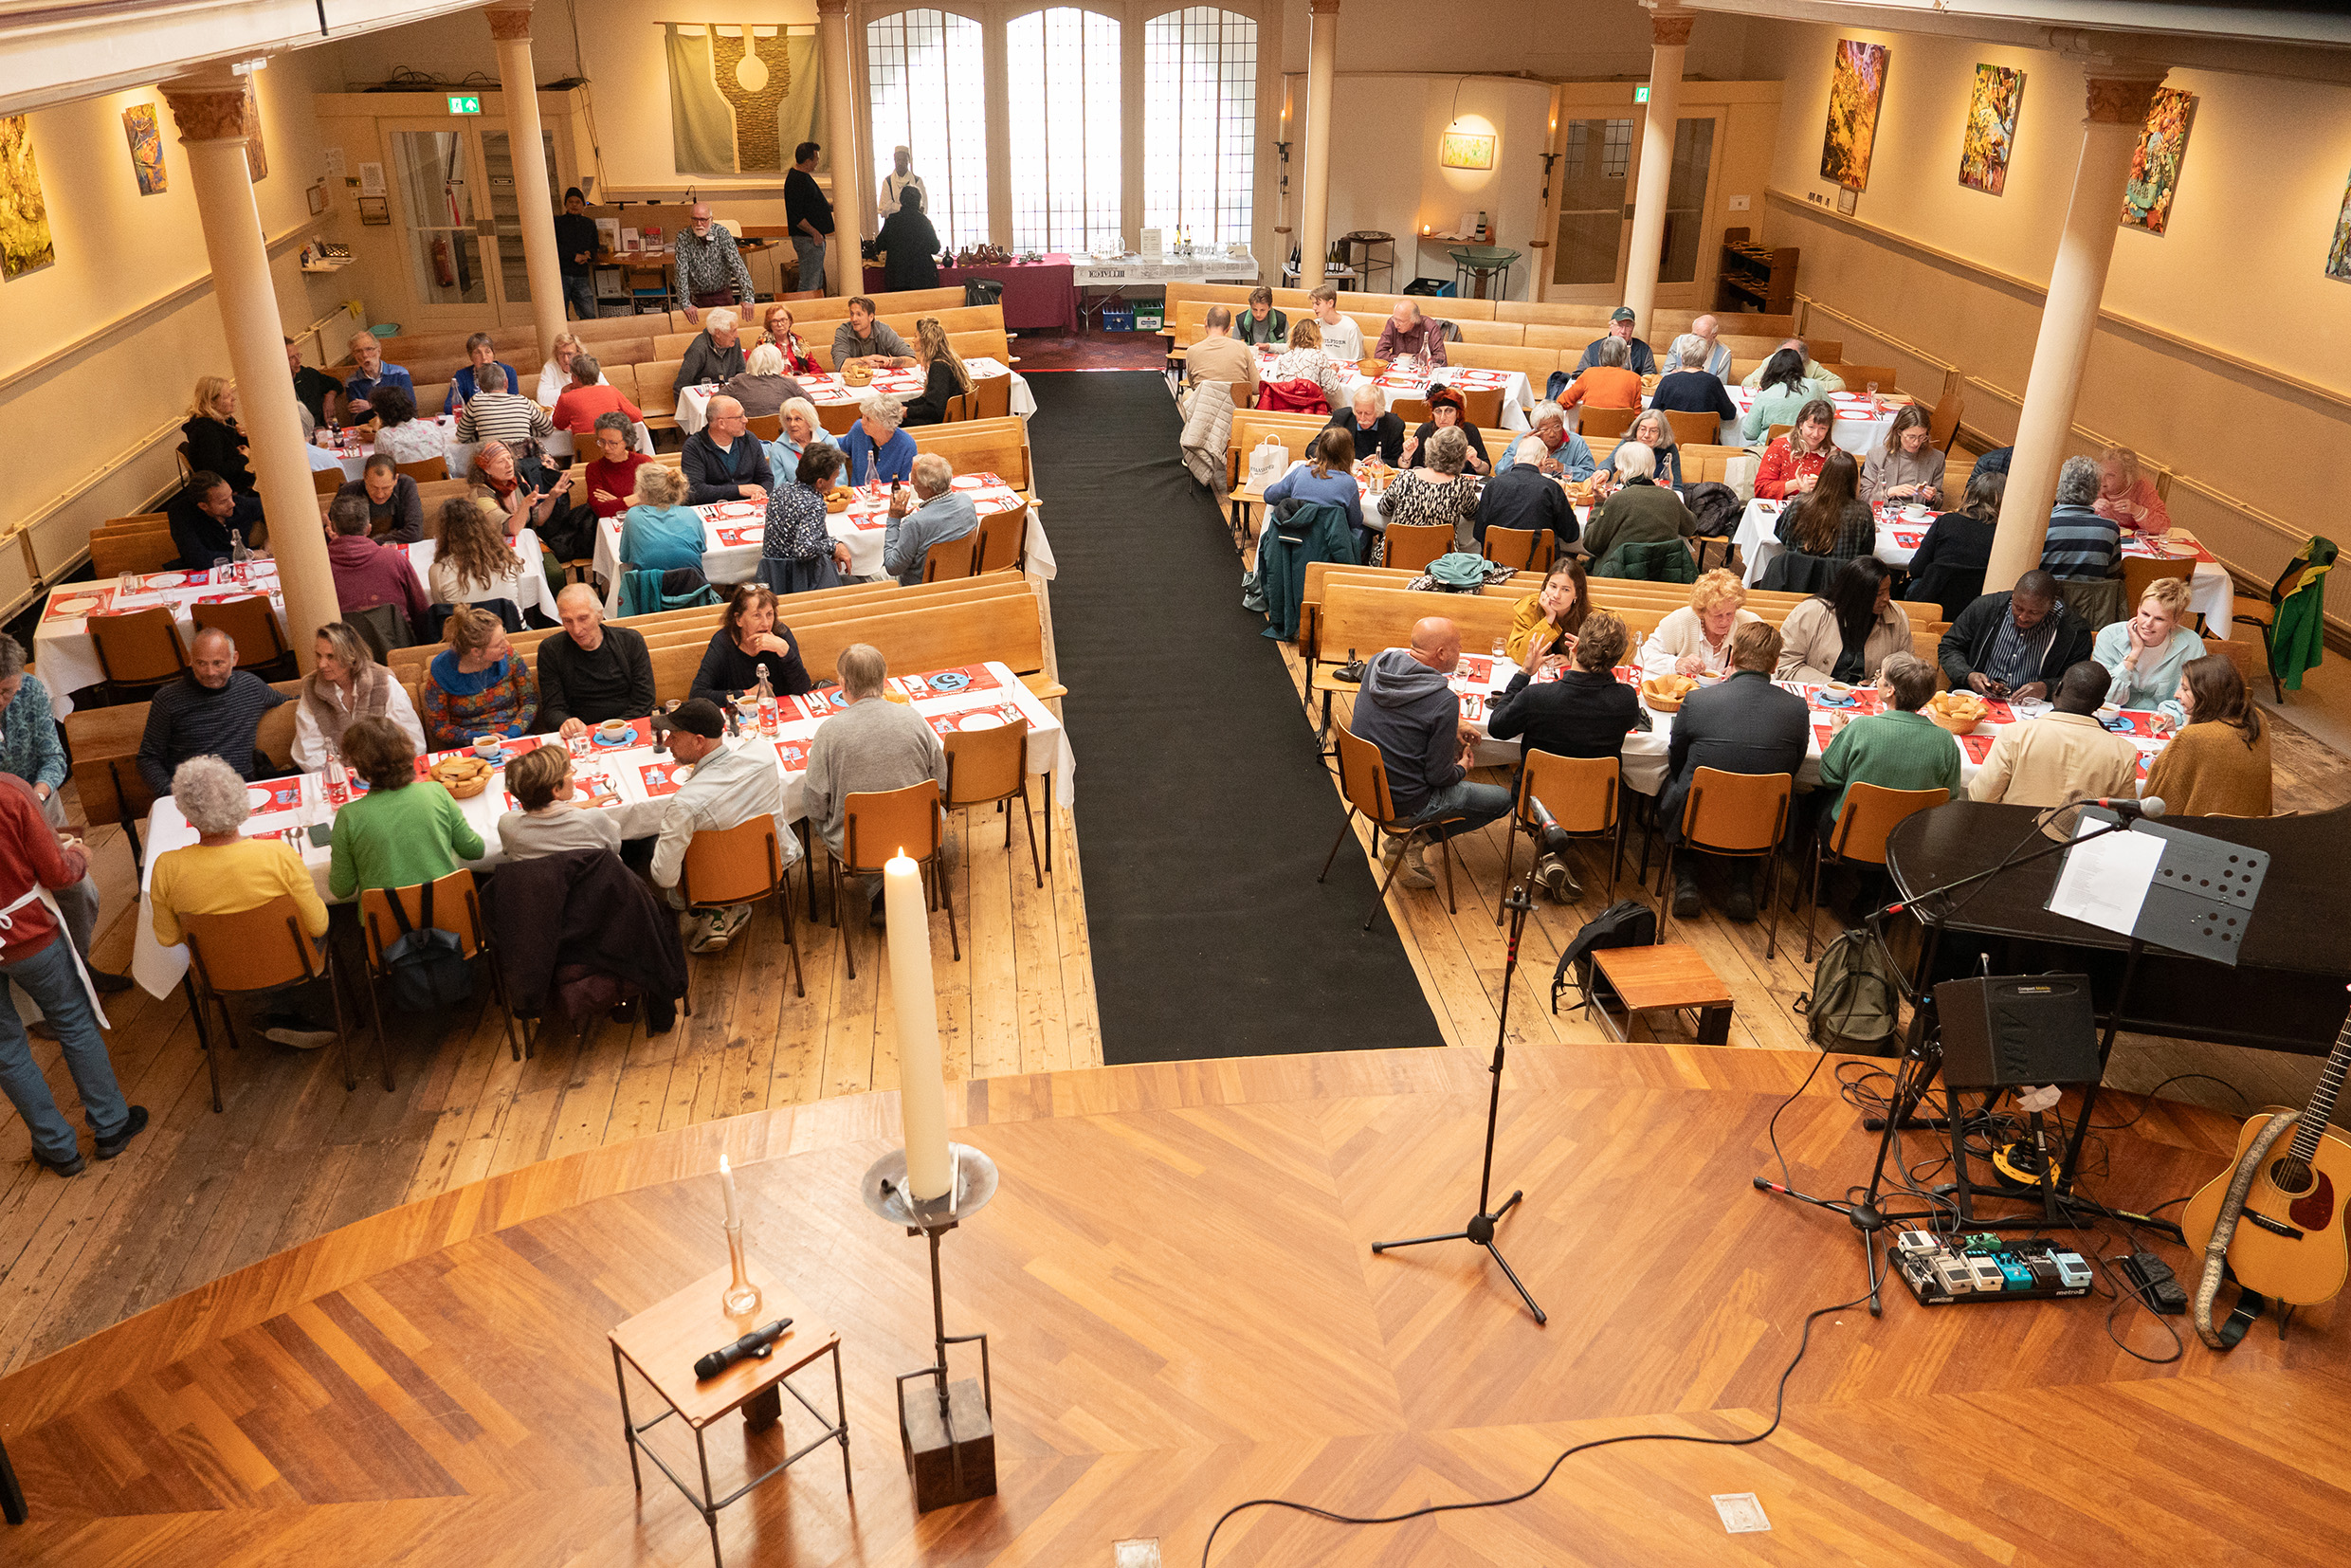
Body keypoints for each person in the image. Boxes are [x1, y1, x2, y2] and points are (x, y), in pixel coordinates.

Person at [0, 763, 142, 1174]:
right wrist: (78, 854)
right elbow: (59, 874)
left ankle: (57, 1147)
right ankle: (111, 1126)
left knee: (6, 1051)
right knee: (73, 1021)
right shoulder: (11, 791)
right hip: (26, 936)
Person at [150, 755, 337, 1050]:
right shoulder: (278, 855)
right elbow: (319, 925)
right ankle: (281, 1010)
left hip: (218, 971)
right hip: (294, 962)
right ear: (242, 800)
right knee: (323, 918)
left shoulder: (165, 867)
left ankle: (273, 1012)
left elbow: (168, 936)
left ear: (185, 811)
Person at [1487, 610, 1641, 902]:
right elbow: (1630, 721)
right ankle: (1550, 858)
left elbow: (1497, 727)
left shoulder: (1539, 697)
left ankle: (1548, 855)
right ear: (1617, 659)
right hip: (1598, 807)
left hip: (1536, 802)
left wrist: (1524, 674)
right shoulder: (1626, 699)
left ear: (1576, 646)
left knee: (1538, 783)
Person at [1661, 621, 1808, 921]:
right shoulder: (1797, 708)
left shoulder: (1698, 699)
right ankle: (1743, 882)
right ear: (1776, 663)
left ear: (1733, 656)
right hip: (1763, 820)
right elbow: (1794, 768)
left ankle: (1687, 878)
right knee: (1765, 793)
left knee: (1672, 781)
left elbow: (1676, 758)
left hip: (1699, 811)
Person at [1351, 617, 1510, 890]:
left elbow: (1403, 720)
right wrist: (1462, 767)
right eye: (1459, 646)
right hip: (1403, 804)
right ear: (1442, 654)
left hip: (1361, 785)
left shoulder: (1379, 662)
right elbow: (1439, 776)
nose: (1461, 650)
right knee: (1503, 799)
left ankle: (1410, 841)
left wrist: (1452, 724)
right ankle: (1413, 839)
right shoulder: (1443, 700)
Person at [801, 644, 946, 926]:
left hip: (857, 844)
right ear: (884, 679)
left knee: (826, 819)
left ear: (842, 684)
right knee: (883, 819)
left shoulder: (828, 732)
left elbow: (815, 805)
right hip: (919, 833)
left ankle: (880, 891)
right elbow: (940, 779)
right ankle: (887, 891)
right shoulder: (913, 718)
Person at [648, 697, 793, 953]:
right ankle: (724, 914)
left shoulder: (683, 803)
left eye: (674, 735)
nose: (667, 741)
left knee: (660, 852)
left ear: (699, 741)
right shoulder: (762, 754)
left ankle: (715, 912)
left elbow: (664, 877)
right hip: (771, 867)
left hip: (713, 885)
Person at [1967, 661, 2143, 835]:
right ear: (2099, 704)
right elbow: (2121, 817)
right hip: (2076, 844)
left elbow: (1981, 798)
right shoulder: (2124, 751)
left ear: (2058, 689)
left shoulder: (2015, 734)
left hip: (2012, 836)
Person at [328, 717, 485, 895]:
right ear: (408, 750)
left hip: (386, 919)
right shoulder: (436, 791)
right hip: (450, 913)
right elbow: (474, 850)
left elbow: (342, 889)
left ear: (358, 765)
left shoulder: (348, 815)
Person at [1815, 652, 1961, 828]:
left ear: (1890, 690)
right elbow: (1949, 796)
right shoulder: (1945, 741)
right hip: (1910, 843)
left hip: (1851, 840)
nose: (1876, 680)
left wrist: (1837, 732)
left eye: (1880, 677)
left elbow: (1830, 778)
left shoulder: (1861, 727)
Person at [137, 628, 289, 794]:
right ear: (191, 660)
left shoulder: (251, 687)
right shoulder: (168, 700)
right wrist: (173, 794)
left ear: (234, 659)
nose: (210, 672)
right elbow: (148, 758)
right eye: (201, 663)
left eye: (218, 663)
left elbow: (291, 704)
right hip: (195, 796)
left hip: (246, 790)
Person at [2142, 655, 2270, 817]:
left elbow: (2159, 800)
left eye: (2185, 689)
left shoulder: (2195, 736)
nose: (2177, 694)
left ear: (2207, 693)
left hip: (2202, 831)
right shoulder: (2258, 718)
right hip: (2252, 827)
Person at [1938, 571, 2094, 702]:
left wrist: (2047, 687)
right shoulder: (1986, 608)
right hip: (1978, 700)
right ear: (2013, 595)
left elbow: (2077, 679)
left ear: (2052, 604)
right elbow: (1949, 647)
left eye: (2034, 612)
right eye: (2018, 608)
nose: (2023, 617)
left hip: (2035, 707)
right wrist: (1968, 675)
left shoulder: (2074, 630)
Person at [293, 622, 424, 771]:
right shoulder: (312, 689)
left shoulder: (384, 682)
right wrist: (345, 776)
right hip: (339, 777)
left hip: (388, 773)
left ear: (351, 656)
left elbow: (412, 741)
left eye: (331, 656)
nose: (322, 664)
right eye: (318, 655)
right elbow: (308, 753)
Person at [536, 584, 655, 739]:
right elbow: (553, 710)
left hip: (629, 727)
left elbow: (644, 700)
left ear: (599, 614)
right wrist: (566, 723)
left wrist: (612, 729)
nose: (576, 630)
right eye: (567, 621)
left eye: (583, 618)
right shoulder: (551, 650)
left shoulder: (630, 641)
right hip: (581, 734)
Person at [419, 606, 538, 750]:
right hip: (471, 745)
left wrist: (512, 733)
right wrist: (480, 738)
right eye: (498, 644)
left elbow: (530, 701)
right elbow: (439, 726)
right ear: (476, 652)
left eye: (504, 637)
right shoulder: (442, 670)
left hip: (513, 736)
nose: (506, 645)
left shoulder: (510, 657)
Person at [1777, 557, 1908, 684]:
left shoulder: (1896, 616)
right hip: (1815, 694)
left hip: (1868, 700)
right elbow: (1786, 664)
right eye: (1879, 594)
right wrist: (1832, 685)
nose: (1887, 599)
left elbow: (1904, 670)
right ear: (1857, 595)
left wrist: (1878, 684)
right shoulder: (1811, 613)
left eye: (1888, 591)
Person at [2095, 574, 2204, 724]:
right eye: (2144, 614)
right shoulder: (2109, 636)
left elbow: (2193, 696)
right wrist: (2133, 655)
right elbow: (2106, 697)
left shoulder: (2191, 643)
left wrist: (2173, 716)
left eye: (2159, 619)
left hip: (2163, 724)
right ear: (2138, 609)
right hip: (2112, 720)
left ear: (2175, 621)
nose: (2147, 624)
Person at [498, 741, 626, 862]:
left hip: (543, 884)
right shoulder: (592, 819)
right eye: (569, 773)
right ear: (556, 790)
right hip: (594, 882)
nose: (573, 775)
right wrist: (575, 807)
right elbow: (614, 847)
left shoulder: (508, 825)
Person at [1903, 468, 2002, 621]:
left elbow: (1916, 568)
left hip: (1929, 601)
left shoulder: (1946, 521)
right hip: (1975, 611)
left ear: (1971, 494)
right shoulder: (2002, 535)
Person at [690, 583, 814, 704]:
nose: (766, 624)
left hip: (779, 712)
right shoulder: (723, 642)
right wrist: (746, 695)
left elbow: (802, 689)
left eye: (769, 614)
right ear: (739, 619)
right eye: (757, 615)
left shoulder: (781, 634)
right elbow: (698, 694)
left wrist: (784, 651)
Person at [1579, 443, 1697, 568]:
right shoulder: (1670, 497)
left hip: (1619, 573)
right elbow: (1691, 527)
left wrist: (1599, 504)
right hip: (1663, 573)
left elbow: (1592, 543)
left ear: (1623, 469)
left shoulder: (1617, 500)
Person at [325, 494, 429, 634]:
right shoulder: (394, 560)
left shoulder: (321, 569)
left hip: (347, 649)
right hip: (397, 645)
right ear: (368, 529)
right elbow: (421, 612)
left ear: (332, 528)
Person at [764, 444, 856, 592]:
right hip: (800, 580)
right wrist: (833, 546)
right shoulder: (814, 504)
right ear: (820, 482)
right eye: (834, 478)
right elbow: (803, 549)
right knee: (855, 582)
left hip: (774, 578)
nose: (835, 483)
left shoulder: (779, 491)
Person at [1640, 569, 1761, 679]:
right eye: (1717, 615)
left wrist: (1744, 672)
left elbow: (1771, 666)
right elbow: (1643, 657)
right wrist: (1676, 663)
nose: (1725, 621)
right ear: (1702, 612)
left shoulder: (1750, 624)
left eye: (1730, 614)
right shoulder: (1680, 621)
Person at [1264, 429, 1367, 557]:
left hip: (1295, 543)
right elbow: (1355, 521)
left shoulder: (1301, 471)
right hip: (1331, 549)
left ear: (1319, 449)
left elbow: (1269, 496)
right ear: (1349, 454)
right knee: (1365, 531)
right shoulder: (1349, 482)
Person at [1375, 426, 1480, 548]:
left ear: (1430, 449)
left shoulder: (1405, 478)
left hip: (1395, 557)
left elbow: (1383, 509)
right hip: (1441, 562)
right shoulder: (1461, 486)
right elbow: (1473, 514)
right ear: (1462, 456)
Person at [884, 452, 980, 585]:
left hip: (921, 591)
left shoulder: (915, 524)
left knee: (860, 577)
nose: (912, 483)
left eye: (914, 481)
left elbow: (892, 567)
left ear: (928, 486)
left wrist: (893, 520)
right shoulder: (967, 502)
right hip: (960, 581)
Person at [429, 495, 536, 612]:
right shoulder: (507, 556)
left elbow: (444, 613)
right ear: (483, 525)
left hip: (468, 629)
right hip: (512, 628)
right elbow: (520, 604)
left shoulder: (438, 570)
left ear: (443, 532)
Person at [1476, 436, 1576, 555]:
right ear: (1544, 461)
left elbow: (1478, 533)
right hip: (1539, 568)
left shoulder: (1493, 484)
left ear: (1515, 459)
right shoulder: (1551, 488)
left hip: (1496, 566)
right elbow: (1571, 535)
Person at [1777, 448, 1874, 564]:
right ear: (1854, 480)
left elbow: (1782, 536)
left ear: (1823, 475)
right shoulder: (1863, 513)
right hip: (1841, 579)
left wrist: (1804, 494)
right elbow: (1866, 554)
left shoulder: (1801, 503)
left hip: (1799, 577)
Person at [616, 465, 707, 578]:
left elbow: (624, 557)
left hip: (649, 590)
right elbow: (702, 548)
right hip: (692, 588)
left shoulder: (633, 515)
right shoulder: (690, 513)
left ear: (644, 491)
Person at [2039, 455, 2123, 580]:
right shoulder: (2110, 530)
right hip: (2092, 599)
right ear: (2096, 491)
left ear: (2058, 486)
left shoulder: (2043, 525)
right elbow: (2112, 580)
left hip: (2048, 598)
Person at [681, 394, 771, 505]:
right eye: (739, 417)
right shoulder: (694, 447)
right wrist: (739, 490)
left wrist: (760, 493)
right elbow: (695, 490)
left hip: (750, 505)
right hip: (712, 509)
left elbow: (766, 477)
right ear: (721, 423)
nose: (745, 420)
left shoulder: (749, 439)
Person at [167, 470, 265, 570]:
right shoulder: (181, 512)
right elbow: (199, 559)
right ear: (203, 506)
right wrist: (248, 554)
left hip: (241, 570)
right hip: (203, 572)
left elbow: (271, 508)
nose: (232, 504)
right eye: (223, 502)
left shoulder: (240, 504)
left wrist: (270, 541)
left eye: (231, 495)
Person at [674, 202, 756, 319]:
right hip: (697, 299)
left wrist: (748, 298)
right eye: (695, 219)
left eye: (703, 219)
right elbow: (680, 272)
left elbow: (738, 266)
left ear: (711, 219)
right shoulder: (683, 237)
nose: (699, 224)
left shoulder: (722, 234)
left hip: (722, 295)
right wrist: (685, 304)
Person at [1504, 559, 1591, 665]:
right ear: (1545, 585)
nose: (1556, 595)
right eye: (1553, 586)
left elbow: (1607, 656)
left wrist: (1574, 660)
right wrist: (1548, 618)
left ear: (1577, 594)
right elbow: (1520, 656)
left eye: (1565, 590)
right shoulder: (1529, 607)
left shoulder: (1590, 615)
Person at [468, 437, 560, 536]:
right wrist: (524, 505)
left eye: (510, 458)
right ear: (486, 469)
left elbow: (537, 520)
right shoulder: (481, 494)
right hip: (498, 545)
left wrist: (552, 497)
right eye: (501, 461)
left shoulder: (516, 481)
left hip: (524, 539)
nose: (509, 465)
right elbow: (511, 529)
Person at [1859, 404, 1944, 508]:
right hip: (1886, 513)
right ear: (1899, 432)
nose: (1916, 443)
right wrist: (1889, 492)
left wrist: (1932, 498)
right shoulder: (1876, 456)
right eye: (1911, 437)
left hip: (1917, 517)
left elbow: (1938, 503)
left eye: (1922, 436)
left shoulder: (1936, 459)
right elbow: (1864, 498)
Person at [453, 362, 555, 447]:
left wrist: (483, 435)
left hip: (495, 466)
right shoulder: (523, 401)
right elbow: (548, 429)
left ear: (481, 387)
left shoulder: (475, 401)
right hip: (525, 466)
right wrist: (525, 432)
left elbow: (462, 436)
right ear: (506, 383)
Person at [1740, 350, 1827, 446]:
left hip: (1770, 446)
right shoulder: (1814, 386)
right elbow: (1829, 410)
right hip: (1808, 445)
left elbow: (1750, 433)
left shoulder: (1765, 394)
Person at [183, 376, 253, 493]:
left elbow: (238, 446)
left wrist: (243, 436)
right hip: (225, 488)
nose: (233, 399)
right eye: (227, 396)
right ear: (212, 402)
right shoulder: (207, 432)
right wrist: (243, 458)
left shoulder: (225, 419)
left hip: (234, 476)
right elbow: (217, 471)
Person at [1754, 398, 1836, 498]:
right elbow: (1761, 489)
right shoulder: (1780, 447)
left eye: (1822, 429)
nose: (1816, 434)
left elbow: (1842, 495)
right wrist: (1793, 485)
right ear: (1801, 424)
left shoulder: (1833, 455)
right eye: (1811, 427)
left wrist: (1822, 489)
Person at [1650, 335, 1740, 427]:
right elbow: (1729, 414)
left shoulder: (1667, 381)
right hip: (1705, 439)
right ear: (1705, 359)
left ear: (1682, 358)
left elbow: (1652, 413)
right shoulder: (1713, 382)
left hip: (1670, 438)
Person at [583, 411, 656, 522]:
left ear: (626, 441)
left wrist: (616, 502)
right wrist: (637, 499)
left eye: (613, 443)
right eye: (602, 442)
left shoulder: (644, 463)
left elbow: (656, 503)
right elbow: (600, 510)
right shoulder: (593, 469)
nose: (606, 448)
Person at [335, 455, 425, 543]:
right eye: (374, 487)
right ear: (364, 477)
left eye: (386, 488)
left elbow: (415, 533)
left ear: (396, 479)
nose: (380, 495)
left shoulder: (405, 485)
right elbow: (331, 533)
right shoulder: (349, 491)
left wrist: (369, 543)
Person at [1491, 403, 1595, 480]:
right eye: (1545, 429)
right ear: (1535, 429)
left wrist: (1564, 468)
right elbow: (1500, 470)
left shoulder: (1576, 443)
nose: (1552, 434)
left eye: (1557, 427)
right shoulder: (1524, 439)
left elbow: (1591, 475)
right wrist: (1523, 447)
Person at [1401, 386, 1488, 473]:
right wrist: (1407, 456)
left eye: (1448, 411)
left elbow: (1486, 471)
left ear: (1457, 413)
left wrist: (1476, 462)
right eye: (1438, 411)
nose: (1442, 417)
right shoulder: (1425, 430)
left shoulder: (1469, 431)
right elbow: (1402, 467)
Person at [903, 317, 973, 428]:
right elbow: (928, 399)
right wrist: (903, 405)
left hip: (942, 422)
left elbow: (935, 409)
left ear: (925, 340)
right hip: (946, 416)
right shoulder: (947, 359)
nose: (913, 340)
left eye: (916, 336)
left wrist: (907, 412)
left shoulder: (939, 366)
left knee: (891, 423)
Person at [784, 142, 834, 296]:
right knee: (809, 283)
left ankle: (815, 313)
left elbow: (812, 205)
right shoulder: (796, 180)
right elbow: (796, 216)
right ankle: (805, 315)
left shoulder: (804, 177)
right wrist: (814, 233)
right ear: (807, 161)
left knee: (816, 281)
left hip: (812, 238)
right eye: (816, 158)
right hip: (807, 239)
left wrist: (829, 206)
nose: (818, 161)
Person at [1264, 319, 1346, 410]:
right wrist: (1333, 372)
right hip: (1310, 407)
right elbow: (1332, 389)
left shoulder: (1285, 358)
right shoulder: (1319, 356)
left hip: (1286, 408)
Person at [1184, 305, 1259, 404]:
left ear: (1205, 323)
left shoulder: (1192, 351)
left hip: (1204, 406)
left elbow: (1193, 384)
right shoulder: (1242, 347)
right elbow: (1256, 387)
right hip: (1236, 407)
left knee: (1187, 394)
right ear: (1228, 328)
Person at [551, 353, 642, 433]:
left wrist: (563, 394)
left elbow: (559, 424)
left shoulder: (566, 398)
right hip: (615, 448)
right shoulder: (612, 391)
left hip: (585, 450)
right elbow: (637, 416)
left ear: (575, 377)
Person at [841, 394, 917, 485]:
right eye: (863, 416)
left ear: (885, 424)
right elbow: (838, 447)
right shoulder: (859, 430)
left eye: (868, 419)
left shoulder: (906, 445)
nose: (862, 421)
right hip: (857, 497)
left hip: (891, 498)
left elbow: (907, 485)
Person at [2093, 444, 2171, 534]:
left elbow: (2163, 527)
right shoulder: (2092, 481)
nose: (2102, 479)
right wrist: (2091, 508)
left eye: (2110, 476)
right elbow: (2074, 516)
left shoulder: (2142, 488)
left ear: (2127, 477)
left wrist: (2136, 510)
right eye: (2100, 472)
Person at [877, 186, 941, 292]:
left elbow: (879, 245)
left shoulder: (892, 221)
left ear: (901, 201)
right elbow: (935, 248)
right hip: (922, 277)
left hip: (897, 278)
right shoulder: (924, 221)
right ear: (919, 202)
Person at [720, 342, 807, 419]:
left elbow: (716, 401)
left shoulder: (739, 381)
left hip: (746, 433)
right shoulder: (788, 383)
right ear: (778, 363)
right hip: (781, 434)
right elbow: (811, 404)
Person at [765, 396, 838, 488]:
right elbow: (779, 486)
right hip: (795, 501)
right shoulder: (777, 449)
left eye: (797, 419)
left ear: (809, 421)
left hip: (829, 498)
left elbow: (839, 479)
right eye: (788, 419)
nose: (792, 424)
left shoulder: (829, 442)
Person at [442, 333, 521, 416]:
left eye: (487, 352)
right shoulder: (462, 376)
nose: (483, 357)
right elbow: (449, 407)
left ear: (493, 354)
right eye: (477, 353)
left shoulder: (508, 372)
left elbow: (514, 402)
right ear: (471, 357)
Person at [1558, 335, 1643, 412]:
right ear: (1624, 356)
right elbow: (1636, 416)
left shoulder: (1589, 374)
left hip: (1587, 428)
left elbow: (1563, 402)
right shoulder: (1634, 379)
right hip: (1622, 429)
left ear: (1601, 355)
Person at [1324, 384, 1404, 466]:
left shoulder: (1394, 425)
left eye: (1367, 413)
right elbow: (1314, 447)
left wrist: (1381, 461)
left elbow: (1398, 461)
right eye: (1358, 412)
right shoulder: (1341, 418)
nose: (1362, 418)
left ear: (1378, 411)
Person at [340, 332, 414, 419]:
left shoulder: (399, 373)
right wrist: (390, 408)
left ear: (379, 351)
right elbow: (358, 419)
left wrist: (371, 407)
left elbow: (409, 410)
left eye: (369, 349)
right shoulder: (352, 382)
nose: (364, 355)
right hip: (371, 430)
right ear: (354, 355)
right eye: (358, 351)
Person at [676, 307, 747, 395]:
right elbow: (681, 386)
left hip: (730, 395)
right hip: (704, 398)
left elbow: (742, 372)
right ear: (718, 333)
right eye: (733, 331)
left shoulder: (734, 342)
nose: (737, 335)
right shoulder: (698, 349)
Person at [1607, 409, 1683, 490]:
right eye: (1642, 429)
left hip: (1656, 496)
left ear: (1661, 434)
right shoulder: (1629, 442)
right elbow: (1610, 461)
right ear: (1636, 429)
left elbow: (1676, 486)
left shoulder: (1669, 448)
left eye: (1653, 431)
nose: (1646, 435)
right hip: (1626, 493)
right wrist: (1605, 471)